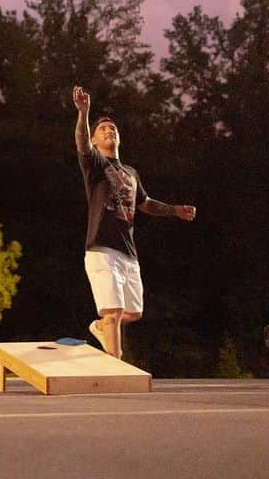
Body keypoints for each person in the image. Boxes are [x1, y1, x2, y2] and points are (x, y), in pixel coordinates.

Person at [72, 86, 196, 359]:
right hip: (101, 247)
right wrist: (84, 113)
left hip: (128, 252)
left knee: (133, 312)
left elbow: (145, 203)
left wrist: (175, 210)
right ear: (95, 139)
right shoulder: (95, 163)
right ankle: (116, 363)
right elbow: (81, 141)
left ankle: (100, 326)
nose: (109, 131)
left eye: (113, 128)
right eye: (103, 129)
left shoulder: (130, 173)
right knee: (114, 311)